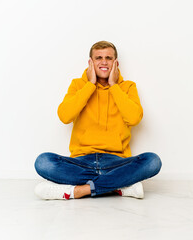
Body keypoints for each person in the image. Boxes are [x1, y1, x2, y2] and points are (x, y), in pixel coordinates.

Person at [34, 41, 162, 200]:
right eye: (98, 58)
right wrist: (90, 85)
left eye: (108, 58)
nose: (103, 62)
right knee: (43, 162)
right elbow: (64, 116)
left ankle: (78, 191)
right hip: (81, 162)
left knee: (152, 161)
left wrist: (114, 85)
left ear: (116, 63)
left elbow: (134, 118)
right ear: (90, 62)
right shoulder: (78, 85)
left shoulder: (127, 87)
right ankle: (118, 186)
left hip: (115, 163)